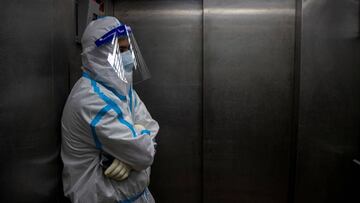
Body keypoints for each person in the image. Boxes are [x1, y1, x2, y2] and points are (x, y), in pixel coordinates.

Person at [61, 16, 159, 203]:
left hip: (137, 195)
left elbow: (151, 126)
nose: (128, 56)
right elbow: (144, 154)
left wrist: (134, 147)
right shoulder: (91, 101)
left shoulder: (123, 90)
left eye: (128, 49)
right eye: (121, 50)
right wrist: (136, 150)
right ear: (99, 54)